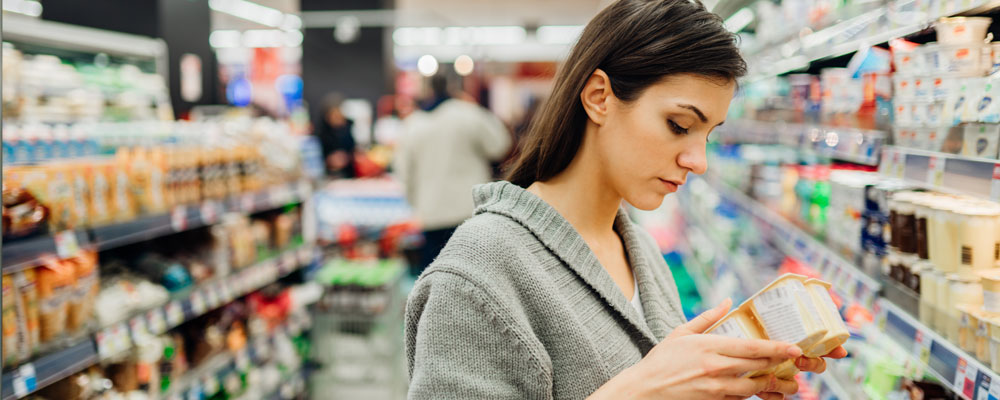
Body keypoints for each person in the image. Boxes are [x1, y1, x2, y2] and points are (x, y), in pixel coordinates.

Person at [404, 1, 846, 399]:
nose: (699, 161)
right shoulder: (476, 275)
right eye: (678, 125)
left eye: (709, 134)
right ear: (600, 97)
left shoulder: (641, 252)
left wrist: (714, 378)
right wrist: (645, 388)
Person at [394, 74, 512, 276]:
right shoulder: (468, 115)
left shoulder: (413, 125)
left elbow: (403, 172)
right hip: (470, 210)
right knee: (475, 279)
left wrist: (416, 204)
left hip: (431, 213)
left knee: (434, 281)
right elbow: (500, 145)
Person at [313, 93, 356, 178]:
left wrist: (348, 157)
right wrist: (328, 161)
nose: (337, 119)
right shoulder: (321, 133)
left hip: (348, 174)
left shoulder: (348, 129)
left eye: (339, 115)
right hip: (326, 175)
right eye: (334, 116)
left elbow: (354, 151)